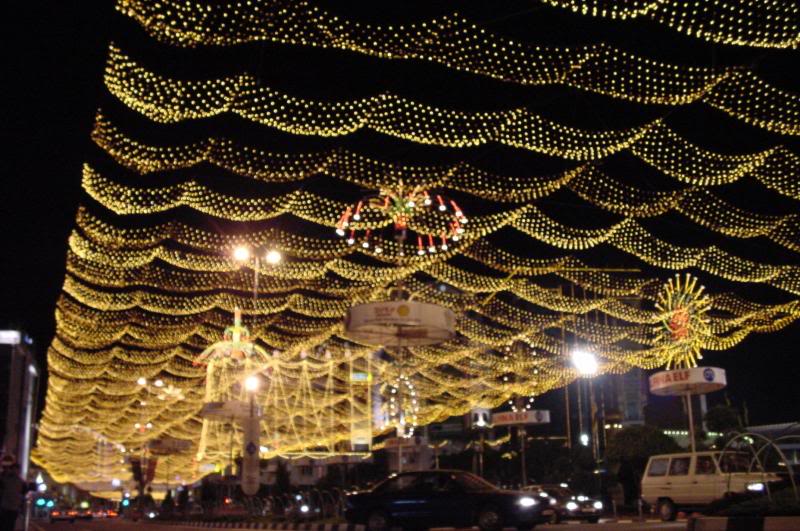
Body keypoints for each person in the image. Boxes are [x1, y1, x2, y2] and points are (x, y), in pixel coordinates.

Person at [0, 458, 25, 531]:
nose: (15, 471)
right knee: (5, 524)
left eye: (17, 470)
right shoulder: (4, 479)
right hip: (6, 506)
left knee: (9, 524)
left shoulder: (21, 482)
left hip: (13, 507)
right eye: (14, 469)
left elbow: (22, 493)